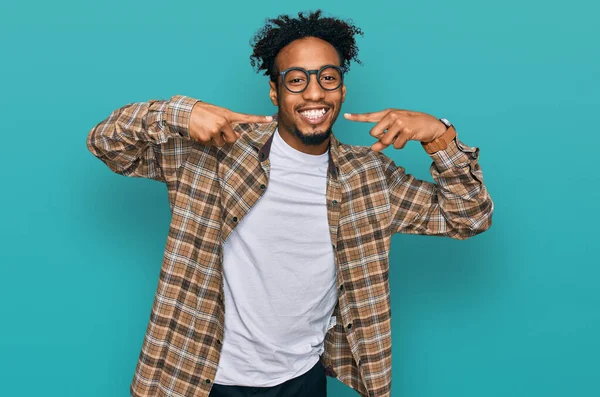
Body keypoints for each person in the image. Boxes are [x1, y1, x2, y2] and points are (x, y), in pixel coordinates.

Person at [87, 9, 493, 397]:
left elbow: (469, 218)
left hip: (302, 378)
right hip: (197, 376)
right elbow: (106, 143)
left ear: (343, 89)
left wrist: (439, 137)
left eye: (328, 78)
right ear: (274, 90)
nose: (314, 92)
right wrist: (181, 113)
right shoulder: (214, 154)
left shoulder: (369, 177)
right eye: (296, 80)